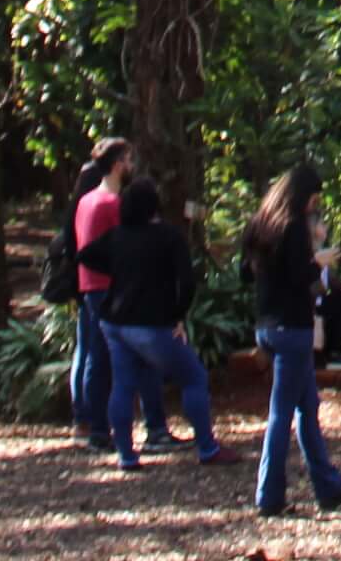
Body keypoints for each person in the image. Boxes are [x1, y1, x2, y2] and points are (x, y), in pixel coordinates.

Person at [242, 166, 341, 516]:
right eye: (314, 197)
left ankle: (329, 486)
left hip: (266, 323)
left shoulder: (260, 223)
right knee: (281, 413)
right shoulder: (294, 226)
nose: (316, 205)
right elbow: (302, 277)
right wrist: (318, 262)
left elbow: (244, 271)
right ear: (301, 196)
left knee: (307, 407)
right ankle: (269, 495)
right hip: (292, 327)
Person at [78, 178, 224, 469]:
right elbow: (187, 281)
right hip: (153, 324)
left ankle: (126, 455)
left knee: (122, 386)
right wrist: (177, 315)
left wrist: (116, 269)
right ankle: (207, 447)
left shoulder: (118, 236)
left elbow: (85, 255)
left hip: (116, 322)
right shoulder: (168, 237)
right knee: (194, 377)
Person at [66, 138, 156, 452]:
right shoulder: (111, 205)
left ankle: (95, 426)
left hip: (89, 286)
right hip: (109, 286)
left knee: (94, 356)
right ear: (117, 164)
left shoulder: (85, 201)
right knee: (115, 358)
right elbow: (128, 244)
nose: (131, 166)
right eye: (128, 160)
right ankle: (115, 427)